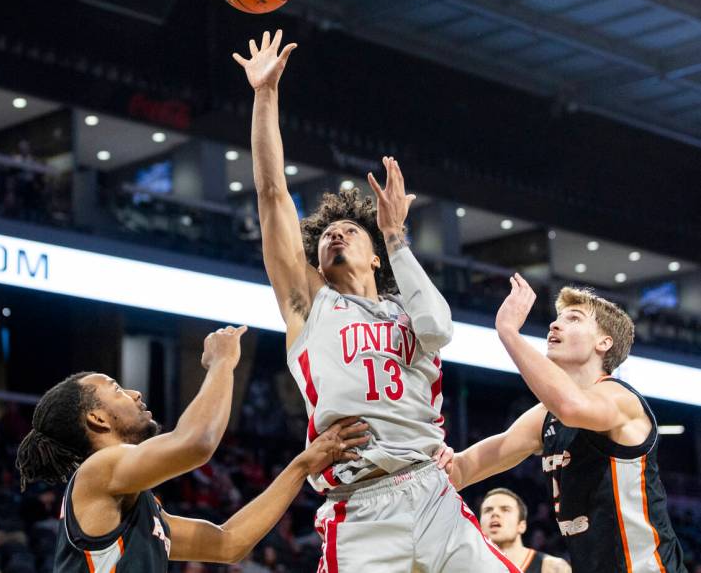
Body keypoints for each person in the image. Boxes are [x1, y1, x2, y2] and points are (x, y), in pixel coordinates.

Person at [233, 30, 517, 572]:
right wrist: (264, 96)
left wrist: (396, 236)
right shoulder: (310, 307)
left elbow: (440, 327)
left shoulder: (409, 305)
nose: (334, 237)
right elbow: (271, 197)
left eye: (348, 232)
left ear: (376, 258)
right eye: (326, 236)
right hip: (359, 507)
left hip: (433, 493)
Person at [16, 325, 368, 571]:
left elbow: (229, 543)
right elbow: (197, 442)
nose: (136, 393)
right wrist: (222, 363)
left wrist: (302, 466)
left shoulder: (139, 512)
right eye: (117, 389)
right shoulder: (97, 470)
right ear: (97, 419)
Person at [447, 275, 687, 573]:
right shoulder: (545, 416)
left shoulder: (620, 397)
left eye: (573, 319)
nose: (554, 324)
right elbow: (462, 469)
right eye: (558, 318)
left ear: (604, 342)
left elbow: (572, 407)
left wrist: (509, 332)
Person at [480, 488, 570, 572]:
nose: (495, 514)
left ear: (521, 526)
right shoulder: (469, 567)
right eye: (488, 510)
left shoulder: (553, 567)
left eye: (505, 509)